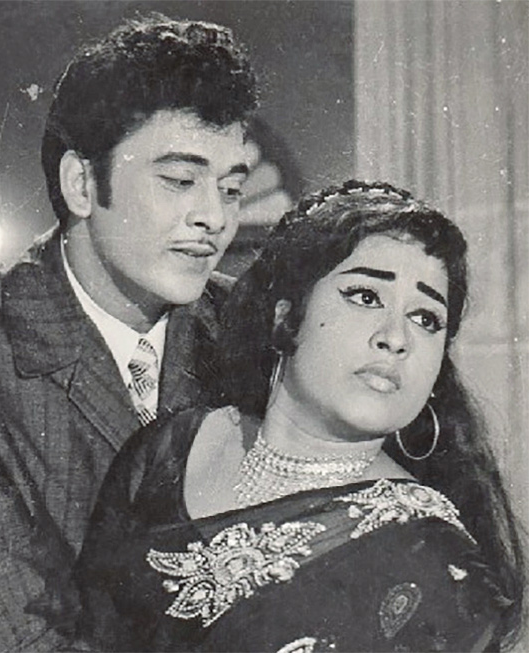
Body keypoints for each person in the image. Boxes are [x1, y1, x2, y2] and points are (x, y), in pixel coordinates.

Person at [0, 14, 258, 652]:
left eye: (232, 187)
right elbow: (9, 637)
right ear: (81, 184)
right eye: (180, 180)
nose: (215, 217)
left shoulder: (245, 324)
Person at [73, 180, 526, 652]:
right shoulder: (170, 447)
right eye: (366, 296)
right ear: (286, 317)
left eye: (426, 319)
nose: (396, 338)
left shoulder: (437, 567)